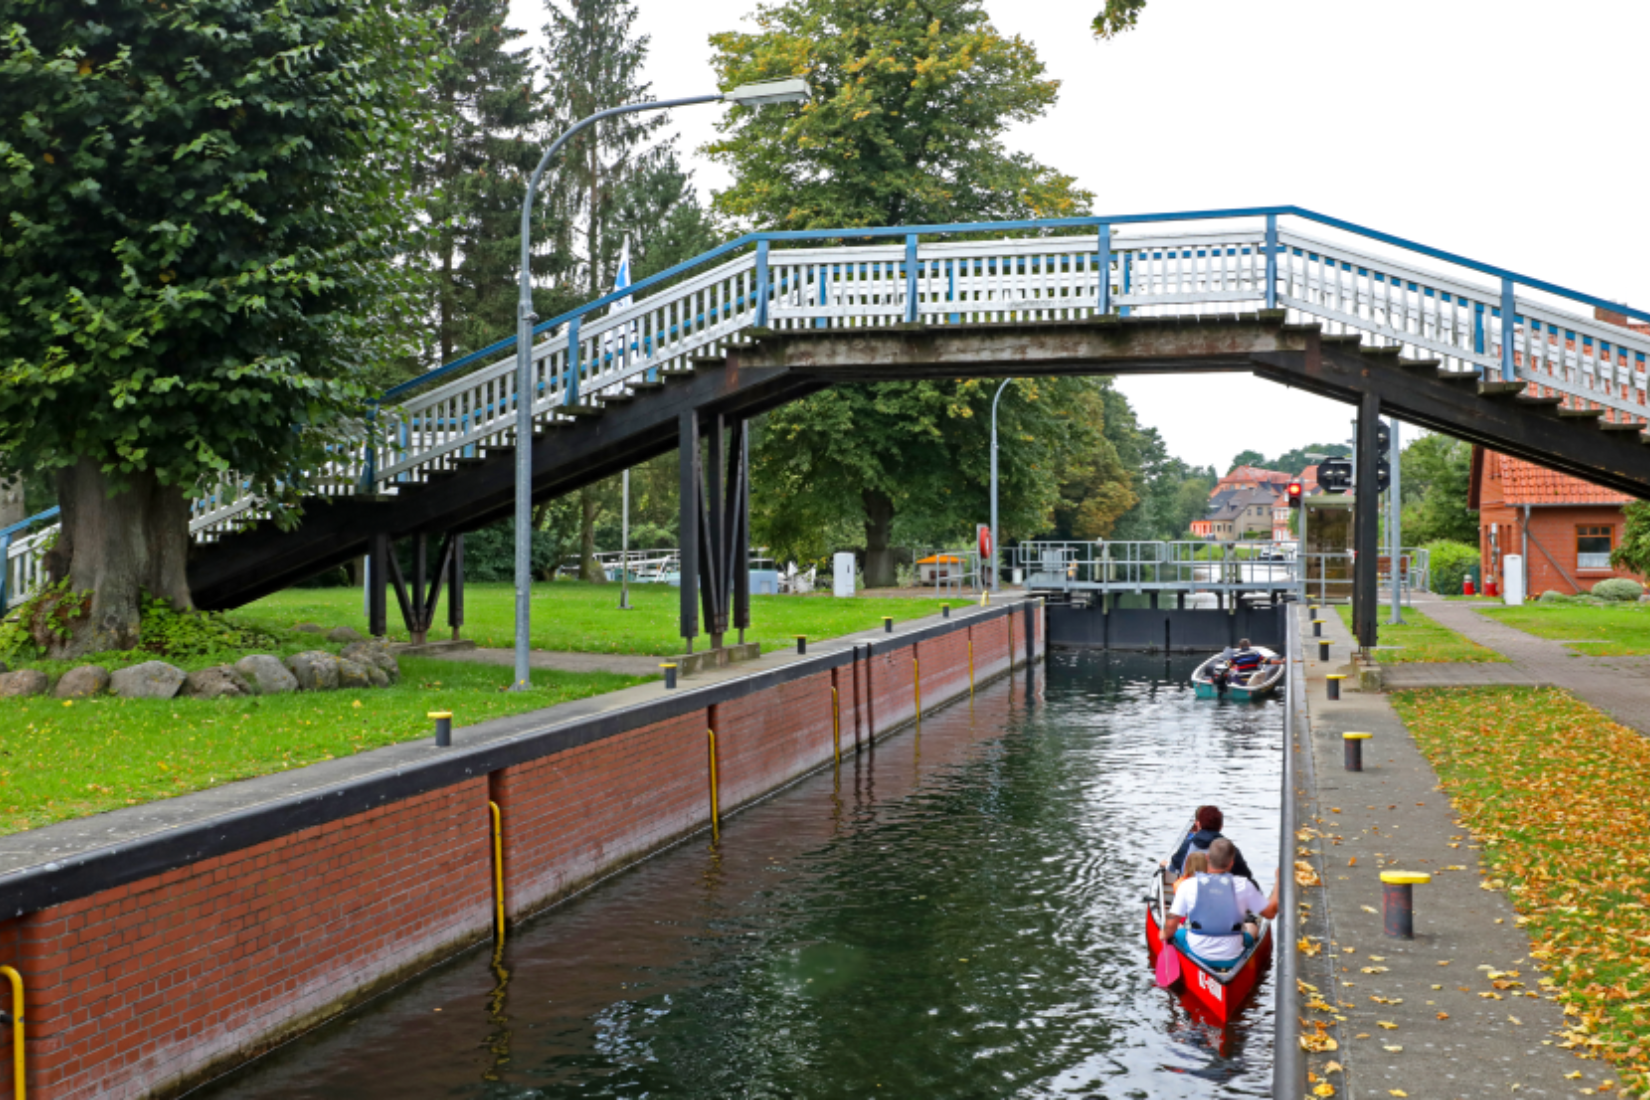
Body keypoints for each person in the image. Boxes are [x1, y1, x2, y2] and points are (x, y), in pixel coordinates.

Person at [1164, 839, 1279, 970]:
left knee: (1178, 930)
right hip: (1232, 957)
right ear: (1231, 864)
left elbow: (1171, 926)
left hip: (1197, 954)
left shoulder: (1188, 885)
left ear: (1207, 858)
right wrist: (1278, 881)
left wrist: (1164, 935)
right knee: (1252, 927)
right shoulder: (1244, 884)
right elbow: (1270, 913)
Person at [1168, 805, 1257, 884]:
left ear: (1199, 824)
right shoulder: (1231, 849)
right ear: (1221, 826)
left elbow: (1173, 868)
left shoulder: (1188, 844)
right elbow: (1246, 877)